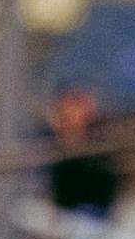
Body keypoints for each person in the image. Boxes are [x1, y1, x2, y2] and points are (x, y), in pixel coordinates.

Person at [47, 86, 119, 218]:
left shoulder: (98, 152)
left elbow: (104, 193)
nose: (73, 116)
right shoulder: (48, 145)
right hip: (57, 217)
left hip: (88, 217)